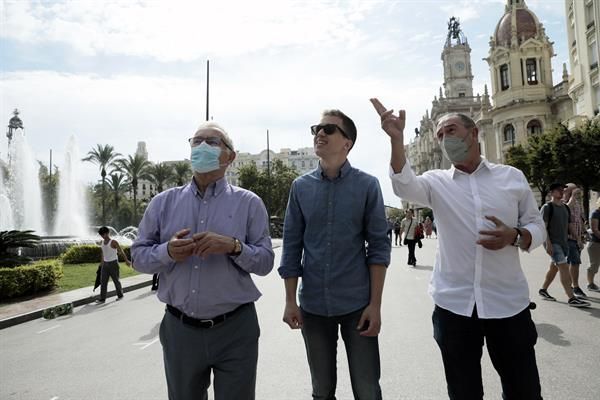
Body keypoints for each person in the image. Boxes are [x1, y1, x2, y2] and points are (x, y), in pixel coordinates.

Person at [371, 99, 546, 399]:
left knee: (524, 391)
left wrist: (515, 235)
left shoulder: (511, 177)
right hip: (455, 307)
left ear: (473, 133)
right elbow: (402, 184)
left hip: (507, 305)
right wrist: (397, 141)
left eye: (450, 130)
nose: (444, 138)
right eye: (439, 135)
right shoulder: (436, 182)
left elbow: (537, 226)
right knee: (463, 392)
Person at [131, 121, 274, 400]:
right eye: (197, 141)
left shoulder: (249, 203)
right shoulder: (163, 203)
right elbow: (137, 256)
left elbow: (266, 261)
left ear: (230, 157)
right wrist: (168, 252)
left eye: (212, 141)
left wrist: (233, 246)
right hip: (180, 329)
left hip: (236, 329)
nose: (202, 147)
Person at [279, 109, 391, 400]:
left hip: (357, 305)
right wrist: (291, 301)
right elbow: (291, 246)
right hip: (313, 306)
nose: (319, 133)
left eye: (329, 129)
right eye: (316, 128)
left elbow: (379, 247)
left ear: (347, 142)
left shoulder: (367, 185)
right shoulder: (300, 187)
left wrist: (375, 305)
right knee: (322, 390)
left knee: (367, 389)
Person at [538, 183, 590, 307]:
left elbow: (569, 225)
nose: (561, 192)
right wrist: (548, 244)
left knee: (554, 267)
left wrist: (578, 239)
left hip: (563, 243)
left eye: (562, 190)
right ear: (551, 193)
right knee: (564, 266)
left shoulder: (565, 208)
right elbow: (543, 228)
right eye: (558, 190)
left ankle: (543, 290)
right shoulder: (547, 207)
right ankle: (571, 298)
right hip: (552, 243)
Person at [95, 226, 131, 304]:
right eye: (101, 234)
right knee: (103, 282)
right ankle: (102, 299)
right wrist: (101, 264)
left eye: (103, 234)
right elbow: (103, 254)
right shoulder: (102, 242)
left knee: (116, 280)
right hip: (105, 265)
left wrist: (126, 260)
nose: (102, 236)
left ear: (108, 233)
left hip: (113, 264)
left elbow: (121, 251)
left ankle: (120, 295)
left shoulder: (113, 242)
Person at [565, 184, 586, 297]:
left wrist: (583, 234)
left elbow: (580, 220)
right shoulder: (564, 202)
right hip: (569, 238)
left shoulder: (578, 203)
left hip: (577, 238)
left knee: (573, 263)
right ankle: (575, 287)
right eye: (573, 191)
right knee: (575, 262)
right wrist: (572, 196)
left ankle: (571, 286)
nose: (577, 194)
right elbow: (567, 209)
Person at [587, 197, 600, 292]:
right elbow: (595, 230)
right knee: (594, 265)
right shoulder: (595, 213)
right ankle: (590, 284)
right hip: (595, 244)